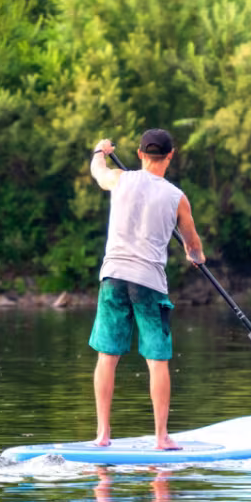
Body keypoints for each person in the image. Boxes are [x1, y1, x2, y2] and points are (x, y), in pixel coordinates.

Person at [88, 128, 206, 450]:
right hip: (149, 283)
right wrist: (195, 256)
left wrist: (101, 149)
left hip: (112, 277)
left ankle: (102, 435)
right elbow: (192, 242)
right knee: (157, 360)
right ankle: (161, 437)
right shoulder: (177, 197)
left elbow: (98, 172)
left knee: (107, 356)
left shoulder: (120, 179)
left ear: (140, 154)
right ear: (170, 155)